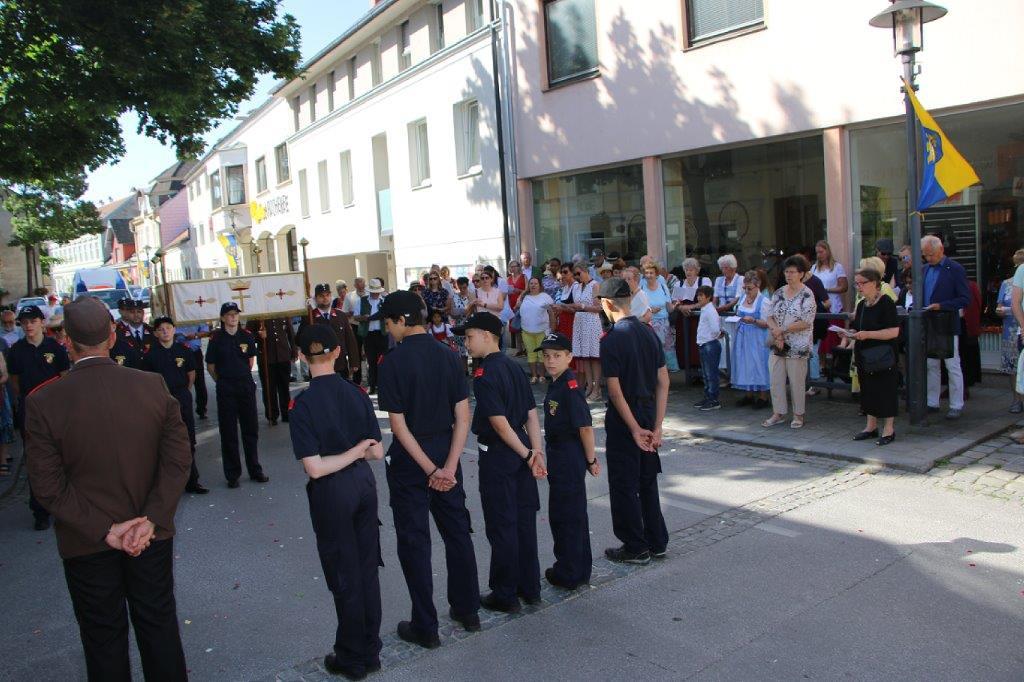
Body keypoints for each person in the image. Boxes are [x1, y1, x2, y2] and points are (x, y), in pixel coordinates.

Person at [25, 295, 192, 681]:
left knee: (102, 638)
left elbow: (47, 485)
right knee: (158, 626)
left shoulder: (44, 401)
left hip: (86, 540)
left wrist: (105, 529)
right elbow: (178, 460)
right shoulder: (152, 386)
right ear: (112, 336)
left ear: (66, 340)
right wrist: (151, 519)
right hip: (148, 535)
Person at [373, 291, 481, 648]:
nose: (388, 329)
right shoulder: (448, 354)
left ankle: (426, 625)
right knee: (457, 532)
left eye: (389, 322)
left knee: (415, 541)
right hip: (446, 451)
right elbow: (462, 416)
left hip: (412, 459)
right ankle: (467, 609)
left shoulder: (392, 362)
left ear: (402, 321)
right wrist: (447, 466)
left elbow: (398, 426)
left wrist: (431, 470)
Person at [288, 323, 385, 678]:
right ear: (338, 352)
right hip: (362, 483)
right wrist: (358, 451)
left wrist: (352, 452)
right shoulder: (356, 393)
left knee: (345, 574)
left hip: (332, 491)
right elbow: (377, 452)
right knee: (366, 569)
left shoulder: (302, 404)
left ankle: (351, 657)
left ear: (302, 357)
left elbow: (314, 468)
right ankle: (370, 650)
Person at [456, 312, 546, 613]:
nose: (466, 343)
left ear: (486, 335)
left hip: (501, 455)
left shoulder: (486, 373)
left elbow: (498, 422)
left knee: (502, 524)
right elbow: (531, 414)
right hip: (522, 450)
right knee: (523, 522)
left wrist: (528, 454)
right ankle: (530, 587)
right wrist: (535, 451)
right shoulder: (514, 368)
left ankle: (505, 593)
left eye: (469, 337)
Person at [596, 277, 669, 565]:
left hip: (625, 417)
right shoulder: (648, 332)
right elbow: (663, 381)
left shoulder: (611, 339)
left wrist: (634, 428)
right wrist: (657, 425)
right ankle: (657, 540)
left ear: (608, 304)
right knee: (647, 479)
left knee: (624, 482)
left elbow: (615, 392)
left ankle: (635, 546)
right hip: (648, 410)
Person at [539, 332, 598, 589]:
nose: (551, 361)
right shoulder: (558, 383)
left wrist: (591, 460)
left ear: (569, 357)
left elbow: (585, 428)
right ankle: (579, 568)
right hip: (561, 454)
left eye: (557, 356)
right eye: (547, 356)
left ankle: (569, 572)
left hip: (567, 455)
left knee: (566, 515)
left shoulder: (570, 388)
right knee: (571, 513)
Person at [8, 304, 70, 530]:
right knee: (36, 461)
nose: (28, 326)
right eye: (24, 322)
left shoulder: (55, 348)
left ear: (42, 323)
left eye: (33, 321)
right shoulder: (16, 351)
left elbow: (64, 378)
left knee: (62, 457)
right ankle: (40, 510)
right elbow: (15, 383)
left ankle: (64, 505)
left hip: (55, 410)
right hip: (31, 411)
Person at [142, 316, 209, 494]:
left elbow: (191, 374)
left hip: (181, 397)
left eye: (168, 327)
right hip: (161, 400)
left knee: (188, 440)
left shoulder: (184, 350)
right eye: (161, 329)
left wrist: (184, 392)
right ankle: (170, 485)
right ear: (156, 333)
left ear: (174, 330)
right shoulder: (150, 355)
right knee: (166, 442)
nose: (165, 331)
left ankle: (192, 480)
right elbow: (147, 380)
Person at [205, 302, 269, 488]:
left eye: (236, 314)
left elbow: (250, 360)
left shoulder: (246, 336)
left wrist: (241, 376)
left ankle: (255, 469)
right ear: (223, 318)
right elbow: (211, 366)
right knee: (229, 432)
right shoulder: (216, 339)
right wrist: (222, 381)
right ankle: (232, 474)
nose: (233, 317)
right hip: (226, 387)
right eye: (229, 314)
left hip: (245, 386)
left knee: (251, 430)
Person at [845, 269, 901, 446]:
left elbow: (893, 331)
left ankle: (889, 429)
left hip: (882, 355)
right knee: (868, 390)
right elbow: (858, 327)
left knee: (885, 390)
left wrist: (868, 334)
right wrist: (849, 333)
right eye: (857, 283)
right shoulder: (862, 304)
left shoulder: (886, 302)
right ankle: (871, 426)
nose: (859, 287)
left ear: (875, 283)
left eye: (862, 283)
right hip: (864, 354)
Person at [762, 256, 816, 429]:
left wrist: (783, 329)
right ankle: (778, 412)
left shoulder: (807, 294)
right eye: (786, 272)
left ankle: (798, 414)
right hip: (778, 343)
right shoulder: (779, 292)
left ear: (801, 274)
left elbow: (806, 321)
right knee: (775, 378)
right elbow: (769, 316)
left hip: (798, 344)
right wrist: (777, 334)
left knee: (796, 381)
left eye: (792, 272)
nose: (788, 275)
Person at [921, 235, 970, 419]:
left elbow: (965, 298)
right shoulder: (924, 269)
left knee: (952, 363)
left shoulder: (955, 269)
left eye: (931, 254)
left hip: (947, 322)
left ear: (941, 249)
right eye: (925, 255)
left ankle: (956, 404)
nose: (928, 258)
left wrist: (942, 306)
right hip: (928, 323)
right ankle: (932, 402)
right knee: (931, 364)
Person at [731, 271, 771, 408]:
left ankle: (763, 396)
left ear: (758, 285)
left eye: (749, 288)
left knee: (759, 364)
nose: (747, 291)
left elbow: (768, 323)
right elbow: (738, 313)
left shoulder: (764, 301)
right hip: (743, 336)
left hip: (757, 337)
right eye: (745, 288)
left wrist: (754, 320)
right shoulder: (743, 298)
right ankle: (749, 394)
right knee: (745, 364)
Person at [247, 317, 296, 425]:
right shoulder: (256, 315)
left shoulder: (281, 313)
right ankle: (272, 415)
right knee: (269, 388)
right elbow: (248, 336)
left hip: (283, 355)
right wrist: (259, 336)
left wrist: (294, 350)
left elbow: (290, 332)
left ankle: (286, 413)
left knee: (284, 386)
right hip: (266, 357)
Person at [305, 283, 360, 380]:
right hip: (319, 366)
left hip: (340, 364)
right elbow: (300, 340)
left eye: (327, 295)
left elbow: (350, 340)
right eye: (321, 296)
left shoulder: (341, 315)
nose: (325, 298)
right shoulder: (310, 317)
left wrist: (354, 362)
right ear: (316, 298)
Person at [671, 258, 713, 372]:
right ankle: (689, 371)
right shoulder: (679, 284)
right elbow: (675, 301)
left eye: (691, 270)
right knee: (684, 344)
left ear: (697, 270)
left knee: (699, 344)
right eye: (686, 270)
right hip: (683, 319)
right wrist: (681, 308)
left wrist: (691, 307)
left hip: (700, 319)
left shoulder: (704, 281)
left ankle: (702, 371)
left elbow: (706, 299)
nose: (688, 272)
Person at [996, 250, 1024, 412]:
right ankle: (1016, 400)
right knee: (1014, 368)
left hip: (1019, 328)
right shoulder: (1007, 284)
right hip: (1012, 330)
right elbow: (1003, 305)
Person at [571, 264, 603, 401]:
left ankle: (597, 388)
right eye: (575, 274)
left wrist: (583, 306)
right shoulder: (577, 287)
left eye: (578, 273)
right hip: (579, 322)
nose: (577, 277)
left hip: (591, 322)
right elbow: (576, 306)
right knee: (584, 357)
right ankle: (589, 386)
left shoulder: (595, 285)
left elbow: (599, 308)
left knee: (594, 357)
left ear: (585, 271)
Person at [642, 261, 680, 373]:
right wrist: (650, 310)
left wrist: (675, 305)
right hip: (648, 324)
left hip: (664, 324)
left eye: (651, 273)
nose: (649, 275)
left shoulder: (663, 287)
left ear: (656, 274)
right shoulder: (641, 288)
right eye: (646, 273)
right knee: (651, 349)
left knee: (666, 350)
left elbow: (669, 308)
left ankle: (665, 376)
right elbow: (637, 308)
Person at [516, 277, 554, 384]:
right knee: (531, 353)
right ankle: (534, 376)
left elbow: (552, 312)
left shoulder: (545, 296)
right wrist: (521, 298)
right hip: (526, 330)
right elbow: (517, 307)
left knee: (542, 354)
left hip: (542, 330)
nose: (533, 285)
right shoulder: (524, 296)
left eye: (535, 283)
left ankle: (542, 376)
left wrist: (552, 327)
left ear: (540, 285)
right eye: (531, 283)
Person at [355, 278, 388, 394]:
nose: (376, 294)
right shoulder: (362, 300)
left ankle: (382, 385)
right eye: (374, 292)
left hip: (382, 334)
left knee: (382, 361)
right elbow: (356, 317)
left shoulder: (384, 301)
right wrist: (364, 318)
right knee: (371, 361)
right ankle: (372, 385)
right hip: (368, 335)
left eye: (377, 291)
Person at [692, 286, 722, 410]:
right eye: (698, 295)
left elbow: (715, 329)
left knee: (711, 373)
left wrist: (712, 337)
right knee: (705, 373)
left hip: (710, 344)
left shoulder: (710, 310)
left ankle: (713, 399)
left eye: (701, 295)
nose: (699, 298)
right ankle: (708, 396)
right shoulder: (705, 309)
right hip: (704, 344)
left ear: (708, 297)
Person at [175, 322, 210, 419]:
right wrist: (178, 335)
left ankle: (202, 409)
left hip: (195, 352)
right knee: (180, 380)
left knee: (200, 382)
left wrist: (195, 335)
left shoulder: (196, 316)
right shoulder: (175, 315)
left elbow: (206, 331)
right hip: (179, 351)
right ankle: (180, 409)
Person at [341, 277, 367, 385]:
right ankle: (357, 379)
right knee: (356, 352)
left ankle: (370, 378)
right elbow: (344, 313)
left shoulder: (369, 294)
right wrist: (350, 313)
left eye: (362, 284)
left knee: (369, 352)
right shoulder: (349, 296)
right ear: (355, 285)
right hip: (355, 326)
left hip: (368, 326)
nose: (361, 286)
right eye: (358, 284)